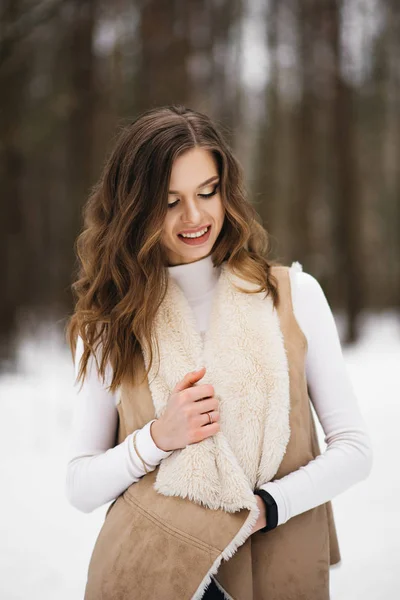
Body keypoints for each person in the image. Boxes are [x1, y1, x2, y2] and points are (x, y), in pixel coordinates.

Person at [65, 105, 373, 600]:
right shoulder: (113, 323)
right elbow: (80, 486)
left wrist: (268, 507)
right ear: (135, 208)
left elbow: (355, 451)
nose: (195, 216)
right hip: (154, 575)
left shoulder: (292, 294)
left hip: (279, 565)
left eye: (207, 192)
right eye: (169, 202)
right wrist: (158, 439)